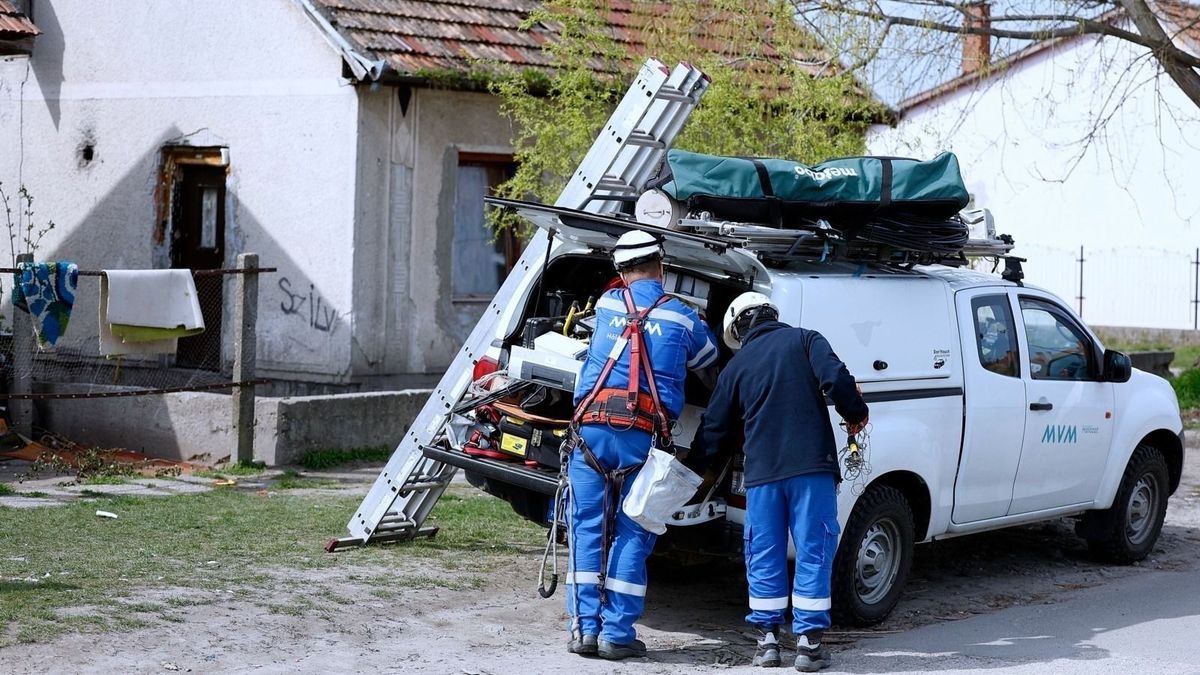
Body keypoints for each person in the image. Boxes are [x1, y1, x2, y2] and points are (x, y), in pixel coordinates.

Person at [693, 292, 868, 672]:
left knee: (764, 552)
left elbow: (714, 428)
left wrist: (693, 468)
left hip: (762, 477)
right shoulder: (806, 339)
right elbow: (837, 381)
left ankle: (767, 642)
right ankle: (808, 645)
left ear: (740, 329)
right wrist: (856, 411)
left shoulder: (736, 368)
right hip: (812, 469)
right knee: (814, 549)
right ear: (771, 315)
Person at [566, 230, 719, 660]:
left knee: (587, 529)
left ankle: (584, 631)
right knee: (635, 527)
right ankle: (617, 634)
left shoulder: (606, 304)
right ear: (662, 267)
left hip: (590, 433)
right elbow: (710, 368)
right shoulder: (683, 317)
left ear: (620, 272)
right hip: (643, 438)